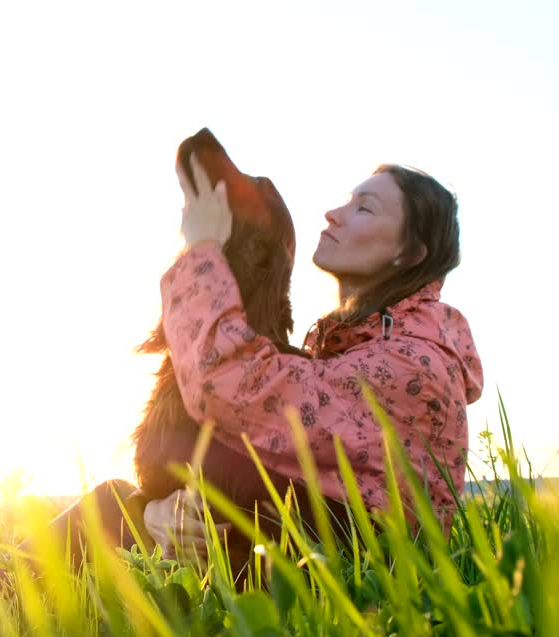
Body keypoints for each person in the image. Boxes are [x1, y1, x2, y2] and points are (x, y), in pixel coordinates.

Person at [140, 157, 484, 559]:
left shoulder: (411, 362)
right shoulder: (351, 349)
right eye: (346, 201)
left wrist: (204, 247)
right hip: (310, 556)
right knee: (115, 503)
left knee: (202, 455)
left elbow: (225, 385)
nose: (333, 215)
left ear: (409, 254)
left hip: (368, 586)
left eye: (364, 208)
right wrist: (155, 513)